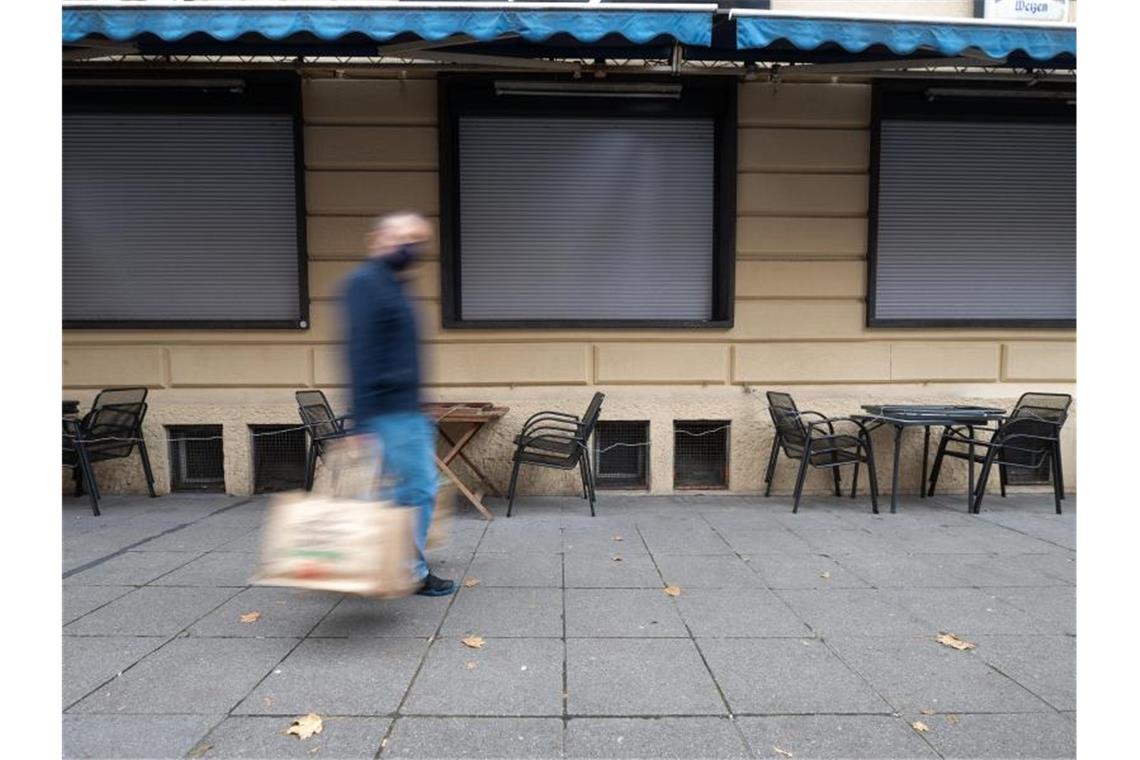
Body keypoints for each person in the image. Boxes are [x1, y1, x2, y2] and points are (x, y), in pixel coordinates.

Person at [343, 211, 455, 597]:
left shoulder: (393, 283)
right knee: (418, 489)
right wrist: (361, 423)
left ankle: (379, 561)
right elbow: (359, 353)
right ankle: (408, 569)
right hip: (389, 412)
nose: (411, 246)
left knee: (400, 491)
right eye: (403, 236)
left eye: (418, 239)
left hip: (406, 410)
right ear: (378, 238)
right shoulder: (366, 283)